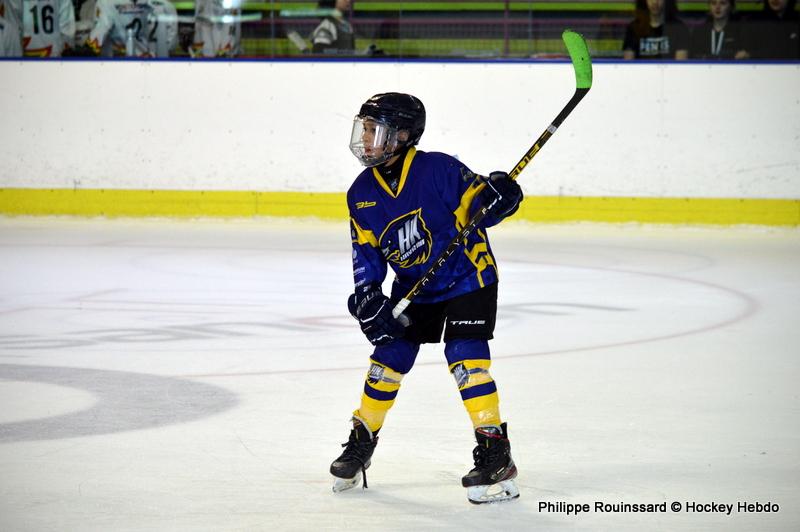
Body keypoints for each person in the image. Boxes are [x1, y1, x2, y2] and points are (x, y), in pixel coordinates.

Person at [329, 92, 524, 504]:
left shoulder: (438, 168)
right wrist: (367, 295)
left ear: (402, 136)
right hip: (415, 285)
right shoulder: (360, 193)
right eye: (364, 128)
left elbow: (482, 205)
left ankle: (496, 452)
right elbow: (365, 253)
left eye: (375, 131)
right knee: (388, 359)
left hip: (468, 276)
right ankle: (362, 439)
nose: (365, 140)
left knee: (465, 358)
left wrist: (500, 198)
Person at [622, 0, 690, 59]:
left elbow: (680, 66)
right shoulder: (633, 28)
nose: (655, 2)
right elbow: (628, 64)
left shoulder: (679, 28)